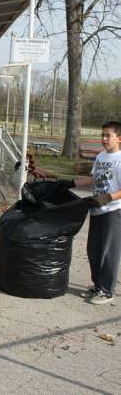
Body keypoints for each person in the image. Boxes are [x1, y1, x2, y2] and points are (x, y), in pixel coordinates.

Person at [58, 121, 121, 305]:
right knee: (93, 250)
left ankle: (107, 291)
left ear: (119, 138)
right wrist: (70, 183)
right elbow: (93, 179)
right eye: (102, 135)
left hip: (113, 210)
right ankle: (97, 285)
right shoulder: (101, 157)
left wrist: (108, 197)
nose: (103, 139)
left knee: (109, 252)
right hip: (96, 210)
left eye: (108, 135)